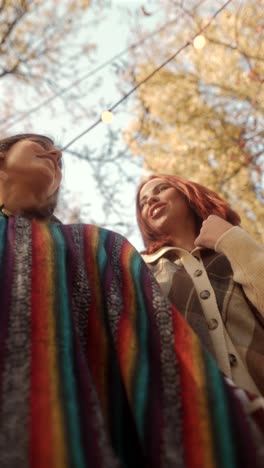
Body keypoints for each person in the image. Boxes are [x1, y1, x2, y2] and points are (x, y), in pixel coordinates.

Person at [0, 136, 263, 468]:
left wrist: (232, 240)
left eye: (161, 188)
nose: (55, 153)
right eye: (39, 143)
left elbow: (154, 347)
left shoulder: (100, 248)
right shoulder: (131, 260)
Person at [136, 174, 264, 398]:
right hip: (204, 420)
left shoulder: (231, 245)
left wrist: (231, 239)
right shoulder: (141, 270)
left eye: (161, 189)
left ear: (187, 193)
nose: (150, 201)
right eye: (143, 202)